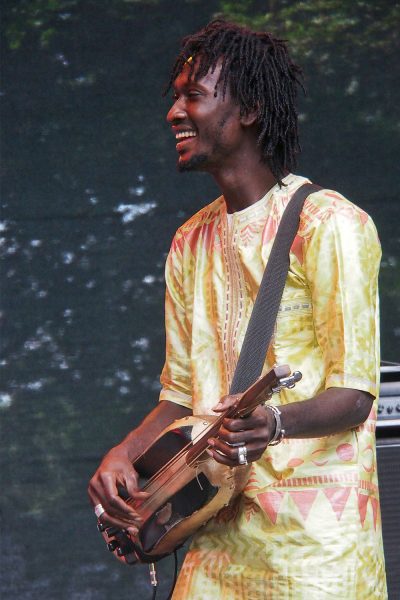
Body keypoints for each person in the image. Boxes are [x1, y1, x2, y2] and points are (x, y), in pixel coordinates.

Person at [88, 19, 387, 599]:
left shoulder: (330, 225)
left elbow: (354, 393)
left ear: (248, 108)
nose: (174, 112)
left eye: (193, 96)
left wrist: (273, 422)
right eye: (175, 96)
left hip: (314, 550)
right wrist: (122, 454)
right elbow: (178, 395)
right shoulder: (188, 241)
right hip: (214, 535)